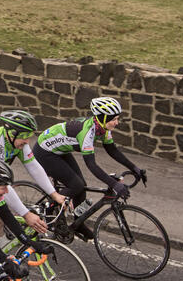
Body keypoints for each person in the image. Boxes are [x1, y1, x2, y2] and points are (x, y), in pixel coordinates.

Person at [33, 96, 148, 240]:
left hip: (60, 151)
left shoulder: (103, 127)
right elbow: (91, 165)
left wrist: (135, 168)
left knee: (81, 186)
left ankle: (78, 223)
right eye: (114, 119)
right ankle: (49, 208)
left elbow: (112, 150)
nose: (117, 123)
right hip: (45, 152)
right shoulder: (87, 132)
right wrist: (114, 184)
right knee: (76, 184)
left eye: (118, 118)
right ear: (102, 118)